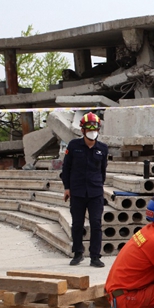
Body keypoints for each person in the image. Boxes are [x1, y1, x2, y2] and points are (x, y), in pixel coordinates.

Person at [60, 112, 108, 267]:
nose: (92, 131)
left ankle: (95, 256)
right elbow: (66, 168)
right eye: (89, 128)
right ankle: (78, 253)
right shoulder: (74, 146)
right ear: (83, 130)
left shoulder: (103, 148)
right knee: (77, 224)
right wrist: (67, 188)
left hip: (95, 193)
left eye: (95, 128)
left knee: (96, 224)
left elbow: (103, 171)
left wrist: (99, 186)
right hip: (77, 191)